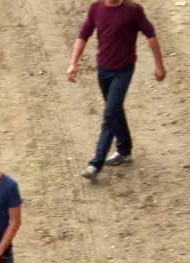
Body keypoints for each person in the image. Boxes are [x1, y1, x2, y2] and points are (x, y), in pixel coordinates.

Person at [67, 0, 165, 180]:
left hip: (123, 70)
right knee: (115, 109)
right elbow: (83, 35)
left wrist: (159, 65)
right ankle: (124, 149)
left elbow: (150, 34)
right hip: (103, 68)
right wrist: (73, 63)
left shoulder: (133, 10)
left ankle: (95, 165)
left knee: (110, 114)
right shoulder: (96, 8)